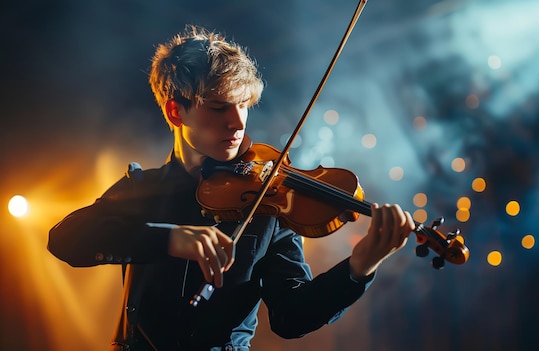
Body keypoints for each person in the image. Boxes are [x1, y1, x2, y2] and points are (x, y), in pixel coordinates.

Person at [48, 25, 415, 351]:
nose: (237, 123)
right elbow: (65, 238)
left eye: (243, 105)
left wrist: (359, 266)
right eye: (219, 107)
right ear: (176, 112)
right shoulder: (141, 189)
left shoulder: (267, 206)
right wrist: (169, 239)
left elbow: (292, 317)